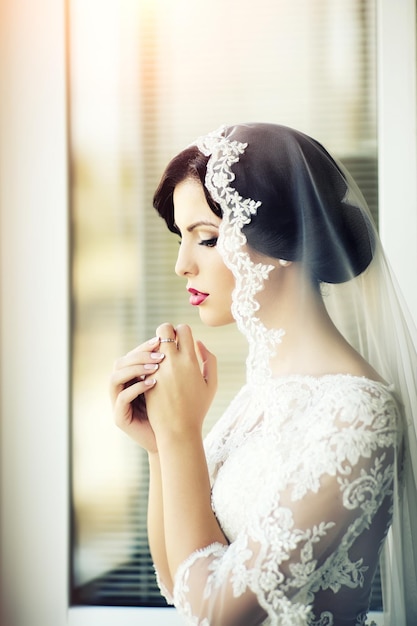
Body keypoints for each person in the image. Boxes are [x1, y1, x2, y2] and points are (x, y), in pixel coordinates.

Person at [110, 123, 417, 625]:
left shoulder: (359, 416)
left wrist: (182, 433)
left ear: (281, 240)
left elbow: (216, 614)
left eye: (205, 238)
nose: (182, 265)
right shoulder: (259, 396)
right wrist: (160, 447)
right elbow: (177, 583)